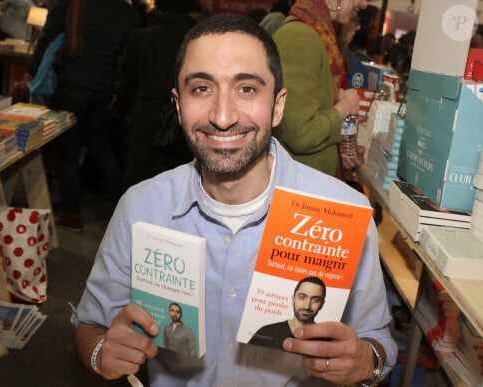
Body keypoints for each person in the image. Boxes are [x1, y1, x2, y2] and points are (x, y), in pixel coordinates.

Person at [73, 13, 395, 386]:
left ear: (277, 106)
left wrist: (364, 363)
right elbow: (89, 324)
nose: (223, 117)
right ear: (178, 106)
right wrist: (101, 352)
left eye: (247, 89)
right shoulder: (141, 208)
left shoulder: (345, 214)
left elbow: (379, 342)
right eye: (202, 89)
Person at [26, 0, 139, 232]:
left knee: (68, 151)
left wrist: (33, 70)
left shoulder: (71, 4)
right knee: (101, 146)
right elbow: (127, 54)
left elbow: (48, 37)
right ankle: (129, 209)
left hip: (71, 85)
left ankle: (71, 213)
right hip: (103, 89)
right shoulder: (127, 11)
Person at [272, 0, 366, 178]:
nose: (363, 5)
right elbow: (301, 134)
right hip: (301, 191)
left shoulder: (314, 32)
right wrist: (345, 107)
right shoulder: (301, 36)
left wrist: (341, 151)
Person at [113, 0, 196, 188]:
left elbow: (127, 82)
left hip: (145, 116)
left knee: (140, 182)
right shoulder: (198, 40)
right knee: (179, 183)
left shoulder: (140, 37)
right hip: (184, 117)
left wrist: (119, 110)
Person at [249, 276, 326, 350]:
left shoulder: (325, 341)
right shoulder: (266, 332)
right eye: (302, 297)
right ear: (293, 299)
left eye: (315, 300)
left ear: (322, 304)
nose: (307, 306)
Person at [0, 0, 34, 94]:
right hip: (19, 35)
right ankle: (8, 88)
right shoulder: (30, 5)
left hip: (5, 30)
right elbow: (37, 25)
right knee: (14, 61)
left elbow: (1, 6)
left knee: (3, 60)